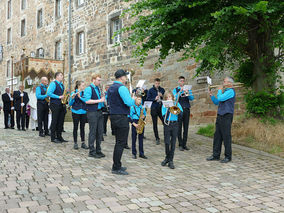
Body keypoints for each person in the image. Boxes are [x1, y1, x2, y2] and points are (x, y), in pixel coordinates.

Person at [107, 69, 135, 175]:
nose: (126, 78)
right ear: (122, 77)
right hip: (121, 117)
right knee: (121, 143)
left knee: (118, 142)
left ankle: (117, 165)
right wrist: (134, 100)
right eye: (125, 76)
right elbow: (128, 102)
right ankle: (116, 167)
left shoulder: (111, 88)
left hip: (113, 116)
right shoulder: (122, 88)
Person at [206, 77, 236, 163]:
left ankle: (228, 156)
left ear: (230, 83)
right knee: (217, 136)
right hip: (220, 115)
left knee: (226, 136)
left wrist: (219, 90)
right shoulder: (225, 92)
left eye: (224, 81)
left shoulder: (231, 91)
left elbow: (220, 98)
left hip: (227, 116)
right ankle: (216, 155)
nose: (223, 83)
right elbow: (217, 102)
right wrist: (212, 96)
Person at [82, 74, 105, 158]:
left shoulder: (98, 89)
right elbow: (87, 101)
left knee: (100, 132)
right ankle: (91, 151)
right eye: (98, 80)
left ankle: (98, 150)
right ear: (93, 80)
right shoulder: (89, 88)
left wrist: (103, 99)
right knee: (93, 131)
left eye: (100, 80)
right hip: (92, 112)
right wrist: (100, 100)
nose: (99, 82)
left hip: (99, 111)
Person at [161, 91, 183, 169]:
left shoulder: (176, 103)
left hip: (175, 124)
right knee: (167, 142)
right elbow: (164, 116)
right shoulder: (164, 105)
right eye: (167, 97)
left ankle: (171, 160)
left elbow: (181, 114)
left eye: (170, 97)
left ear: (172, 97)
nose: (168, 98)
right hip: (167, 124)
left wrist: (175, 107)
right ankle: (167, 157)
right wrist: (169, 108)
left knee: (173, 143)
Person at [172, 76, 194, 151]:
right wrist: (180, 91)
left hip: (186, 109)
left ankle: (184, 144)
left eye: (183, 81)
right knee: (179, 127)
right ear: (178, 81)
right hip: (179, 110)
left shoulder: (187, 89)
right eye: (181, 81)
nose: (182, 82)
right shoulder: (175, 90)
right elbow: (174, 99)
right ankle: (180, 144)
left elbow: (192, 98)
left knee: (186, 127)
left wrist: (187, 93)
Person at [47, 72, 68, 143]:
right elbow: (49, 93)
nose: (62, 77)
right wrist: (58, 97)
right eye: (61, 75)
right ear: (57, 76)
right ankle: (53, 137)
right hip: (55, 104)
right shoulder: (53, 83)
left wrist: (66, 94)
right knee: (55, 121)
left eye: (62, 75)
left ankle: (59, 136)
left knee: (60, 121)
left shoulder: (61, 84)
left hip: (61, 104)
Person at [69, 81, 88, 150]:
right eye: (83, 85)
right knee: (75, 127)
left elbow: (86, 101)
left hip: (83, 112)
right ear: (79, 86)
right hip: (75, 112)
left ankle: (83, 143)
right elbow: (70, 104)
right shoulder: (73, 92)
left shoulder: (84, 93)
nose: (84, 87)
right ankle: (75, 143)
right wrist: (73, 98)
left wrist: (80, 97)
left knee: (82, 128)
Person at [146, 78, 165, 145]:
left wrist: (161, 95)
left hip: (160, 108)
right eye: (156, 83)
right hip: (154, 108)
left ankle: (166, 136)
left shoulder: (162, 89)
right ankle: (157, 138)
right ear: (154, 83)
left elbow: (163, 97)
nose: (157, 85)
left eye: (158, 83)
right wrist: (154, 98)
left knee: (164, 122)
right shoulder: (150, 90)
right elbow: (148, 99)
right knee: (155, 124)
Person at [129, 95, 147, 159]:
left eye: (140, 99)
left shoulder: (142, 107)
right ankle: (134, 153)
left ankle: (141, 153)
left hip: (140, 123)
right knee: (134, 139)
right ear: (135, 100)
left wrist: (144, 117)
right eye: (138, 99)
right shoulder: (132, 107)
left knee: (141, 139)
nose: (140, 101)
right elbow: (129, 117)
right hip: (135, 123)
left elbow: (144, 114)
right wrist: (134, 124)